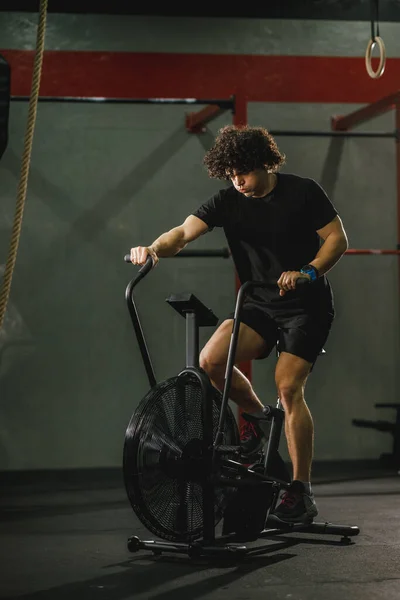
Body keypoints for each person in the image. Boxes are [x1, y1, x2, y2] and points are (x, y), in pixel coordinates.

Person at [130, 125, 348, 525]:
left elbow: (337, 239)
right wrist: (154, 249)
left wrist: (309, 272)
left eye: (243, 173)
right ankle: (259, 419)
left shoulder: (303, 191)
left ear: (265, 163)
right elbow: (181, 233)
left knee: (288, 386)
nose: (238, 182)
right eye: (230, 175)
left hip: (306, 305)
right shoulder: (228, 200)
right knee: (210, 360)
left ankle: (300, 492)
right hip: (258, 302)